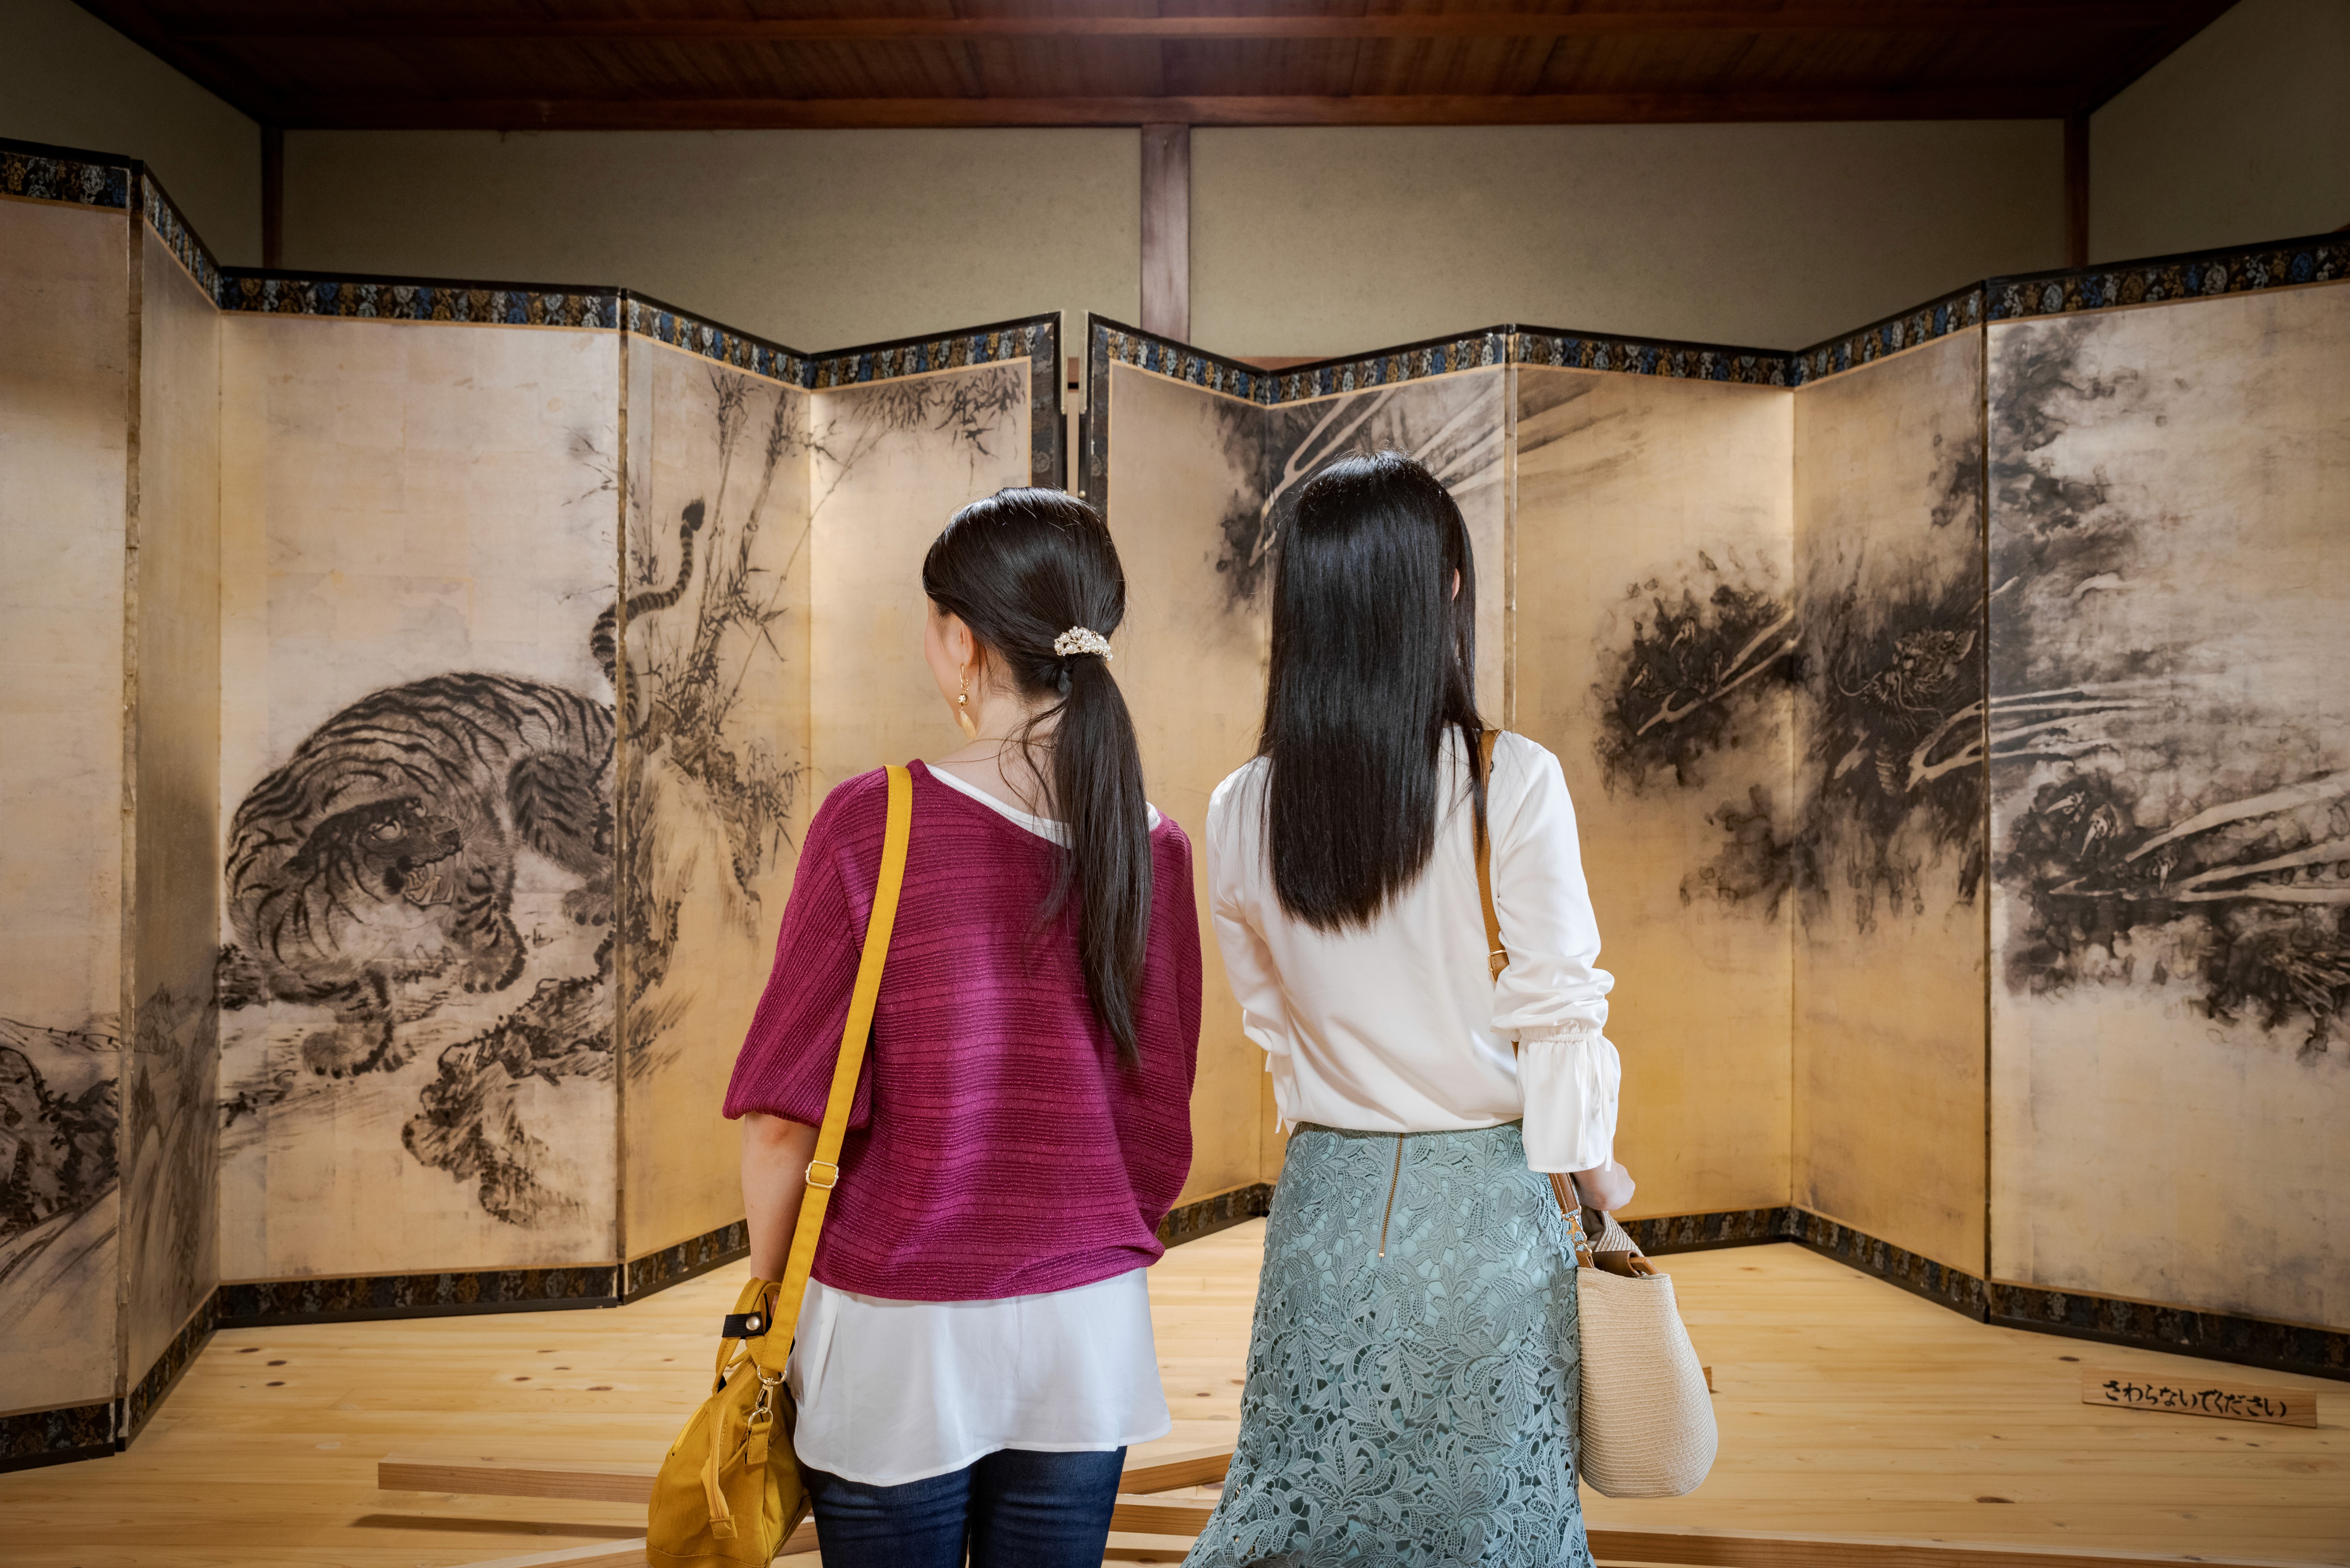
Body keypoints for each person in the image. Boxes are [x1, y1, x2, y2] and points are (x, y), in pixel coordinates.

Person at [724, 488, 1202, 1568]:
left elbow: (778, 1127)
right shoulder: (1156, 844)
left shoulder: (875, 819)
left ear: (960, 640)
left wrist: (774, 1308)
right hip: (1091, 1327)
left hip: (898, 1326)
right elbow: (1155, 1123)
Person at [1186, 451, 1632, 1567]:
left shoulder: (1243, 806)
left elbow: (1274, 1027)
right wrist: (1595, 1177)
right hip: (1486, 1214)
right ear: (1443, 589)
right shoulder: (1509, 780)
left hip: (1327, 1209)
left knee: (1306, 1511)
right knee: (1487, 1521)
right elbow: (1559, 1007)